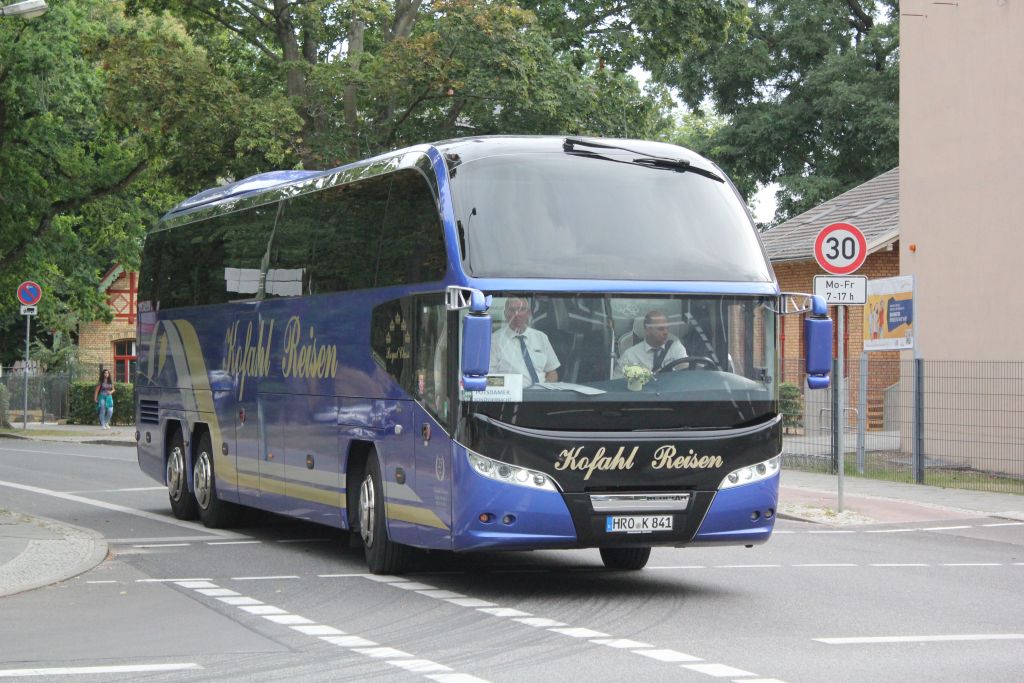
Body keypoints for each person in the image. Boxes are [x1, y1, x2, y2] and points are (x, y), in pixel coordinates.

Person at [489, 297, 560, 385]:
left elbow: (552, 372)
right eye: (511, 310)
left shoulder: (541, 337)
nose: (516, 314)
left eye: (521, 309)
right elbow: (489, 379)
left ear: (528, 313)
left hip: (541, 393)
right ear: (505, 314)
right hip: (511, 395)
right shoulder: (494, 340)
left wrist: (544, 391)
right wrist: (511, 386)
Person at [618, 310, 687, 374]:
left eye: (667, 328)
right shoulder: (630, 355)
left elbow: (686, 373)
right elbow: (616, 382)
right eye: (661, 329)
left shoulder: (676, 347)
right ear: (648, 331)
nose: (666, 332)